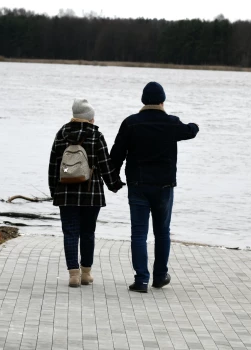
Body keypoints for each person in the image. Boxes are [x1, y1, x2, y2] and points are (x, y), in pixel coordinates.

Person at [110, 82, 199, 293]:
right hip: (164, 186)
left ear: (143, 101)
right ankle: (159, 276)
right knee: (162, 232)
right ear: (162, 101)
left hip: (138, 185)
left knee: (139, 234)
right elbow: (190, 131)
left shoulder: (130, 123)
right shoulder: (171, 123)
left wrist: (111, 179)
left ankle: (141, 280)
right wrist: (195, 125)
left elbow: (117, 155)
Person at [48, 98, 124, 287]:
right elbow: (105, 164)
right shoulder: (96, 135)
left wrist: (54, 191)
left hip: (65, 193)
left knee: (70, 232)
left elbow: (53, 165)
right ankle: (86, 273)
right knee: (88, 232)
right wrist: (114, 184)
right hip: (92, 194)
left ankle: (73, 274)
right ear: (90, 118)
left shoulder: (62, 133)